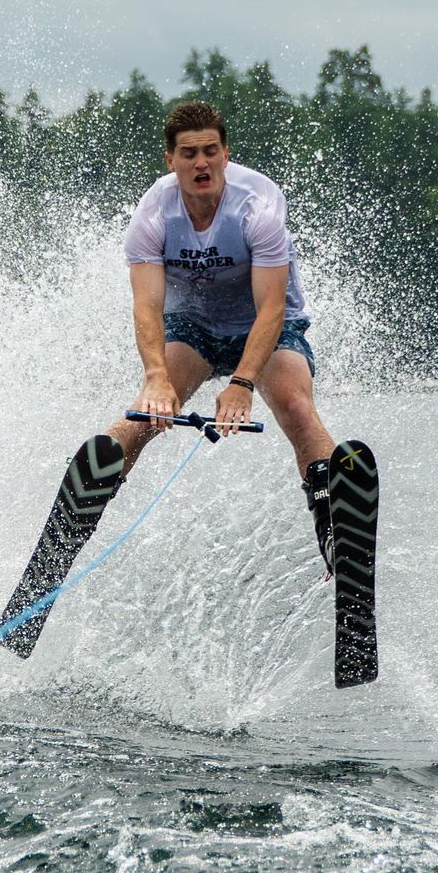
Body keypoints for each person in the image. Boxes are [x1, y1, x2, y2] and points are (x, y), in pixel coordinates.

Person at [107, 99, 338, 572]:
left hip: (265, 324)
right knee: (143, 415)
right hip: (194, 326)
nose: (201, 163)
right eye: (189, 153)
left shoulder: (258, 206)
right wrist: (156, 378)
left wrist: (243, 382)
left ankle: (337, 528)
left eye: (210, 151)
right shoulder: (153, 214)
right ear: (170, 160)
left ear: (226, 154)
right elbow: (147, 306)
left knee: (295, 406)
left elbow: (272, 308)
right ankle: (77, 513)